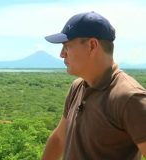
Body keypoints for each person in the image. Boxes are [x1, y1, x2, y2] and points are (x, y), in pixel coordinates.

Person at [42, 11, 146, 159]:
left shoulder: (129, 97)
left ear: (92, 45)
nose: (62, 54)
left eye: (67, 46)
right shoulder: (78, 87)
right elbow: (59, 138)